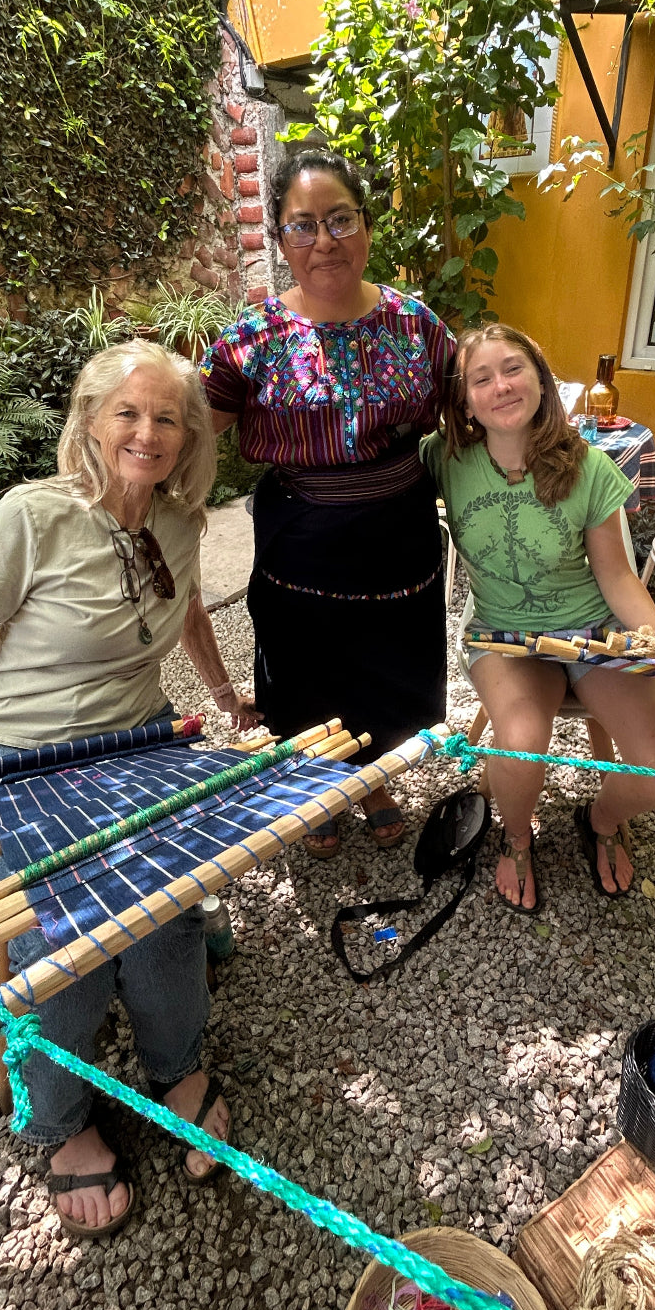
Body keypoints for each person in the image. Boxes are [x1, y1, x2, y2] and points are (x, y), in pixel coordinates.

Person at [0, 340, 259, 1237]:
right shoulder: (32, 515)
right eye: (126, 412)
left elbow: (190, 608)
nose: (147, 432)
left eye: (167, 417)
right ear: (89, 423)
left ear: (189, 437)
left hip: (130, 746)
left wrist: (225, 695)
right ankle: (59, 1119)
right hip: (0, 756)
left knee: (162, 905)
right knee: (68, 932)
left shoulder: (180, 521)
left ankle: (177, 1065)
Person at [200, 148, 455, 856]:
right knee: (306, 670)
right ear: (281, 240)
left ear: (366, 226)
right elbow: (190, 429)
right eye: (301, 225)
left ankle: (370, 778)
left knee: (386, 670)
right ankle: (316, 790)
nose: (323, 241)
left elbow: (473, 411)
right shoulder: (250, 340)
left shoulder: (417, 327)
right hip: (301, 538)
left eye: (339, 219)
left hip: (397, 533)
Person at [422, 323, 655, 912]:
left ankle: (601, 819)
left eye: (513, 368)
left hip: (593, 634)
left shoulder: (588, 467)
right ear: (464, 401)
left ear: (541, 378)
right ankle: (516, 839)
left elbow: (617, 576)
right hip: (504, 637)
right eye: (480, 378)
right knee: (519, 741)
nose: (501, 386)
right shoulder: (444, 459)